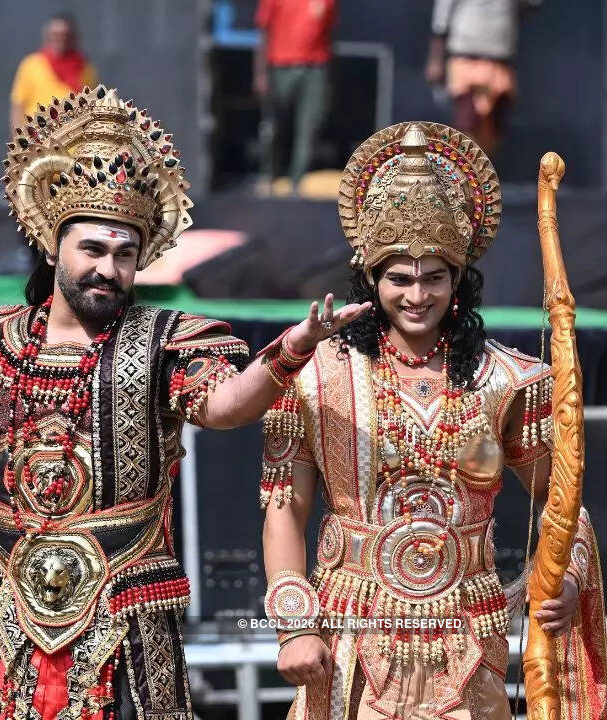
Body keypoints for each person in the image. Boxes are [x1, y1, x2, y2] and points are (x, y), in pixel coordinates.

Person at [0, 84, 367, 719]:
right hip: (2, 617)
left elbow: (227, 404)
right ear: (52, 246)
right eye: (92, 250)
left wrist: (292, 349)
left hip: (125, 618)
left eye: (125, 255)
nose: (108, 269)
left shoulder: (163, 344)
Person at [259, 121, 607, 718]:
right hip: (349, 638)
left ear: (458, 281)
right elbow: (284, 505)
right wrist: (293, 625)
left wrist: (563, 577)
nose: (416, 295)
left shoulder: (504, 380)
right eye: (399, 277)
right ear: (371, 278)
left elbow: (559, 499)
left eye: (433, 277)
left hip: (468, 639)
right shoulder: (317, 376)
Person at [426, 0, 535, 155]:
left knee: (494, 125)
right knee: (467, 120)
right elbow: (441, 17)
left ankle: (481, 172)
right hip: (465, 57)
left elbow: (528, 8)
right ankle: (465, 172)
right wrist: (435, 58)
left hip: (500, 60)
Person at [254, 0, 336, 193]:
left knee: (309, 126)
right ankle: (269, 174)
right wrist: (260, 74)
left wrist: (330, 78)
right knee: (275, 125)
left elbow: (329, 35)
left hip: (315, 69)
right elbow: (263, 33)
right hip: (280, 66)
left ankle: (297, 181)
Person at [10, 13, 98, 134]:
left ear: (73, 37)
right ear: (47, 36)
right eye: (55, 35)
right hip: (37, 141)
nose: (60, 39)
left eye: (65, 35)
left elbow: (91, 106)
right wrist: (18, 140)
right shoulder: (32, 64)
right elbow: (18, 106)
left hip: (71, 140)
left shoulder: (85, 68)